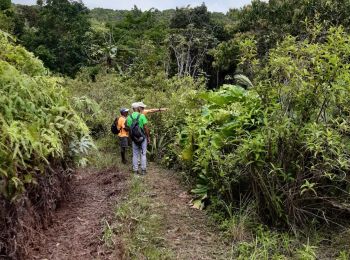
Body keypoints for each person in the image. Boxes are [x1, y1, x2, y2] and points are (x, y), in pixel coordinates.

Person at [126, 103, 150, 175]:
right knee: (143, 154)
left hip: (134, 138)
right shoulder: (142, 116)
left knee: (135, 154)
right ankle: (143, 170)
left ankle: (135, 171)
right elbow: (145, 128)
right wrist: (148, 137)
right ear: (138, 108)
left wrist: (130, 139)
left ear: (133, 109)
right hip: (142, 137)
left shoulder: (129, 117)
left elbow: (127, 128)